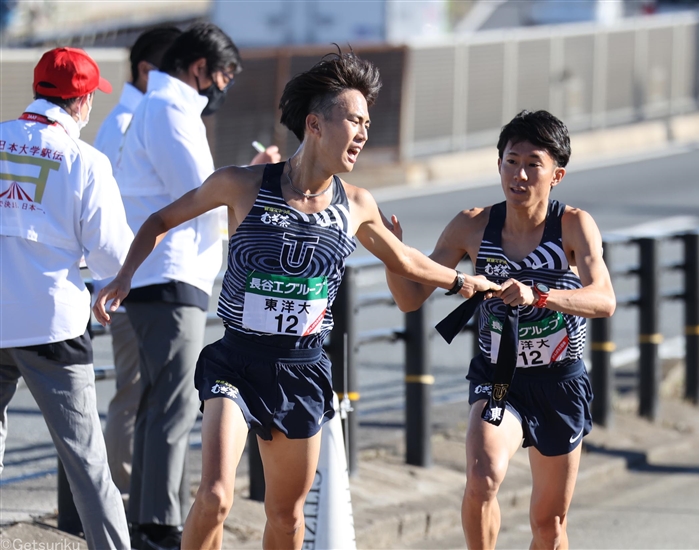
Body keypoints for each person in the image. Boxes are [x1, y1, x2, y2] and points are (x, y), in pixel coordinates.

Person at [94, 49, 499, 550]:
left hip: (303, 370)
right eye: (354, 119)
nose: (364, 132)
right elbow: (159, 220)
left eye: (368, 123)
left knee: (285, 519)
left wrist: (464, 284)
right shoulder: (241, 184)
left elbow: (406, 261)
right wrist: (124, 276)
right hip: (237, 361)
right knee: (216, 495)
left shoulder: (355, 205)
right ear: (315, 124)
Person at [384, 110, 616, 550]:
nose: (520, 174)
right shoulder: (472, 225)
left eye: (533, 164)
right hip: (498, 380)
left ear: (557, 174)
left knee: (549, 525)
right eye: (511, 161)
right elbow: (410, 298)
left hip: (559, 383)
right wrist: (394, 255)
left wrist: (538, 296)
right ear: (498, 165)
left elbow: (604, 300)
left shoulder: (572, 225)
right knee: (482, 476)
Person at [109, 22, 271, 549]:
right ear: (199, 69)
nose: (223, 86)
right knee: (173, 404)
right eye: (223, 75)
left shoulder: (163, 108)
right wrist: (251, 179)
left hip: (166, 274)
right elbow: (199, 198)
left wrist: (241, 175)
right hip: (170, 273)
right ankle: (156, 525)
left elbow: (199, 193)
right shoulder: (170, 111)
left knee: (161, 400)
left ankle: (152, 519)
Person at [0, 47, 133, 549]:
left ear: (37, 90)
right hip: (51, 323)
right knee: (86, 463)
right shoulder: (84, 160)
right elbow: (112, 256)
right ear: (80, 103)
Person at [93, 25, 181, 505]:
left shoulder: (137, 117)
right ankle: (123, 497)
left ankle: (132, 497)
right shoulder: (131, 121)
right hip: (132, 278)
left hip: (138, 276)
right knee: (132, 393)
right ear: (148, 71)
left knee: (141, 393)